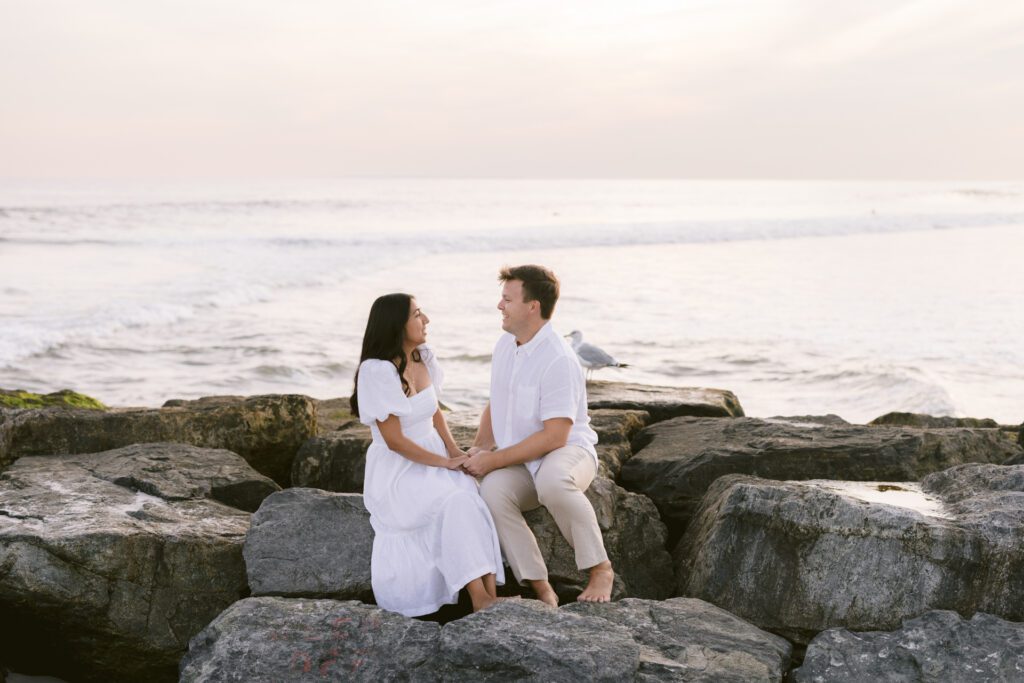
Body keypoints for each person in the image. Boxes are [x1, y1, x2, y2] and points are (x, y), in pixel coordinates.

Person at [463, 265, 615, 606]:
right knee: (492, 491)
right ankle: (541, 587)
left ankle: (600, 567)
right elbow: (495, 402)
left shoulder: (559, 358)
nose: (499, 306)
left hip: (567, 452)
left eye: (507, 299)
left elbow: (555, 437)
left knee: (553, 480)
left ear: (533, 306)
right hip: (522, 457)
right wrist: (478, 448)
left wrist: (494, 460)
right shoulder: (505, 345)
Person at [350, 292, 504, 616]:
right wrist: (444, 463)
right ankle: (480, 598)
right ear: (396, 324)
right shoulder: (376, 371)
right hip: (399, 470)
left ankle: (489, 596)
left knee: (469, 492)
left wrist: (453, 450)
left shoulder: (420, 356)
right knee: (452, 500)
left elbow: (433, 411)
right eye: (418, 314)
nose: (426, 320)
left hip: (432, 454)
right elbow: (395, 441)